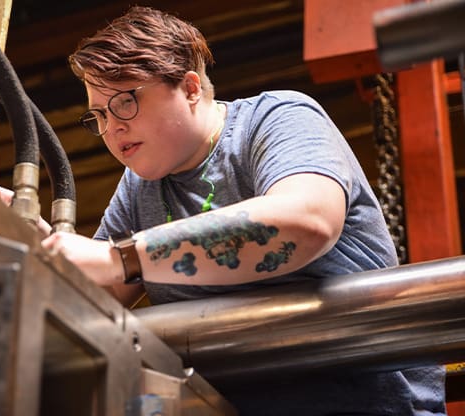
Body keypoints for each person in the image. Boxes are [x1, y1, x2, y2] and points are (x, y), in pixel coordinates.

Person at [38, 6, 446, 416]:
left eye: (125, 102)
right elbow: (90, 300)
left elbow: (305, 222)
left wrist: (121, 257)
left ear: (191, 87)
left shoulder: (276, 120)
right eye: (100, 115)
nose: (113, 128)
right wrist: (32, 244)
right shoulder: (140, 187)